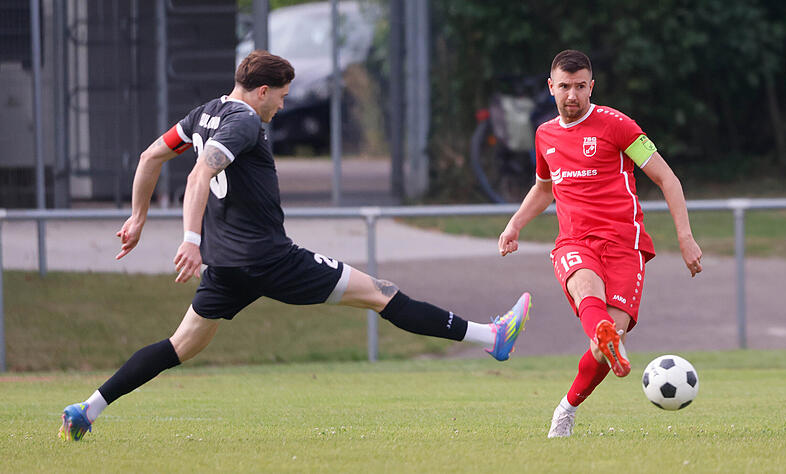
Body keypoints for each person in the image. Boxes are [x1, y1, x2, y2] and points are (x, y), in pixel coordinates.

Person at [58, 50, 531, 441]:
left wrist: (138, 217)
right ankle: (491, 338)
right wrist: (189, 240)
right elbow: (201, 174)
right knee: (382, 293)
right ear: (261, 91)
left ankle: (88, 409)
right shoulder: (243, 121)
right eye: (280, 99)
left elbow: (150, 156)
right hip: (269, 259)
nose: (281, 108)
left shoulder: (203, 114)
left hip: (227, 268)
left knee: (179, 345)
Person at [498, 50, 702, 438]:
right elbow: (544, 187)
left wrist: (686, 238)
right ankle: (607, 335)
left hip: (626, 246)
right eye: (563, 87)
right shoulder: (545, 134)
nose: (571, 96)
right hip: (575, 241)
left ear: (591, 86)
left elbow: (667, 179)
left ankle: (567, 405)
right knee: (585, 287)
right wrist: (515, 225)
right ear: (551, 87)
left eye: (579, 87)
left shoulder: (619, 126)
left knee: (604, 345)